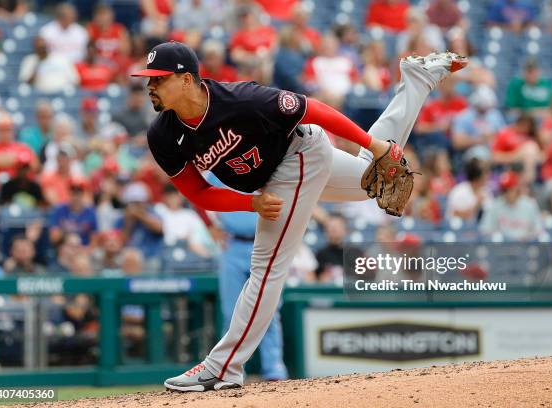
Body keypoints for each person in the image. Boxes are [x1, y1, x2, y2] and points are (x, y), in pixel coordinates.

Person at [131, 41, 467, 391]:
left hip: (299, 153)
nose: (150, 85)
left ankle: (222, 367)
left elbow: (313, 109)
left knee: (266, 266)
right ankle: (416, 79)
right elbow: (198, 193)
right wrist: (251, 204)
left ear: (186, 80)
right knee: (373, 181)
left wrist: (372, 144)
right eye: (149, 79)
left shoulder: (241, 100)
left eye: (158, 78)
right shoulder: (163, 135)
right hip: (278, 175)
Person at [215, 210, 288, 381]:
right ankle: (229, 369)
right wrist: (209, 225)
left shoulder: (271, 181)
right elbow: (197, 191)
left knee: (269, 310)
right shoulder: (221, 181)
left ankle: (274, 369)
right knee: (231, 313)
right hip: (233, 245)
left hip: (267, 243)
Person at [479, 170, 543, 241]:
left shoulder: (530, 204)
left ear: (516, 188)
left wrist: (528, 237)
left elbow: (538, 230)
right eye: (503, 190)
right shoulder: (495, 205)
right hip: (502, 248)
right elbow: (484, 230)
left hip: (525, 247)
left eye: (508, 189)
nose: (506, 193)